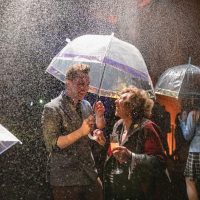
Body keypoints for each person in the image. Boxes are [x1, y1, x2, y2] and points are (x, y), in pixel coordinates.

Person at [42, 63, 106, 200]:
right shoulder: (52, 108)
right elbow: (52, 144)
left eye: (87, 84)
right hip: (66, 180)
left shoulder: (87, 105)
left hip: (89, 174)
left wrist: (96, 134)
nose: (85, 88)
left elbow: (90, 133)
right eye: (80, 83)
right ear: (68, 83)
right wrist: (81, 132)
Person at [104, 86, 170, 200]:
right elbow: (113, 153)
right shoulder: (118, 126)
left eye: (123, 99)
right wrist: (103, 143)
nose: (116, 101)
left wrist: (131, 156)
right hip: (119, 189)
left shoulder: (147, 127)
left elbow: (159, 161)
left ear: (133, 107)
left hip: (140, 191)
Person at [180, 100, 200, 200]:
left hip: (196, 151)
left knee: (190, 182)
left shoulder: (194, 114)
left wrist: (183, 122)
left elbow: (187, 136)